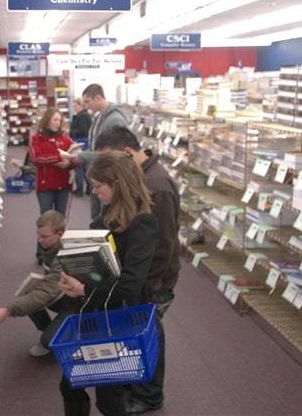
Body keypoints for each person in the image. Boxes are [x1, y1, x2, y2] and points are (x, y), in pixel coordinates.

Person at [58, 151, 159, 416]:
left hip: (120, 319)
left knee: (108, 397)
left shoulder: (143, 223)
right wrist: (75, 276)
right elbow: (98, 264)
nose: (95, 192)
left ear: (119, 184)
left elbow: (130, 285)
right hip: (97, 311)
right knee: (71, 383)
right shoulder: (107, 215)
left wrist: (84, 289)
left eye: (99, 186)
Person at [95, 126, 181, 414]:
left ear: (128, 153)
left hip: (152, 282)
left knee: (150, 335)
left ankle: (149, 395)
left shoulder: (158, 185)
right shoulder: (141, 179)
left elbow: (164, 244)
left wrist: (150, 287)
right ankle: (139, 388)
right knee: (140, 333)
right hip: (139, 278)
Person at [0, 210, 79, 357]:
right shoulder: (53, 249)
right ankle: (54, 330)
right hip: (65, 295)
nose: (39, 240)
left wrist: (8, 310)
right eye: (38, 235)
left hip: (78, 304)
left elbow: (47, 292)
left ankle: (71, 333)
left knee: (48, 341)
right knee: (30, 294)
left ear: (60, 233)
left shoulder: (66, 254)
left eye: (44, 236)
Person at [78, 84, 129, 219]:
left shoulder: (115, 119)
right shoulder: (99, 117)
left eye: (88, 102)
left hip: (109, 178)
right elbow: (96, 146)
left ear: (98, 97)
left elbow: (115, 154)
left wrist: (82, 156)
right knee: (98, 217)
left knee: (107, 217)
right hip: (99, 175)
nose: (86, 106)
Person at [69, 98, 92, 196]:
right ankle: (88, 189)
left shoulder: (82, 116)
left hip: (81, 143)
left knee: (79, 167)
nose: (74, 108)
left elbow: (83, 131)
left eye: (76, 106)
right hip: (85, 144)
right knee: (85, 168)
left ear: (81, 106)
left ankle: (79, 190)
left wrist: (71, 132)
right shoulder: (84, 115)